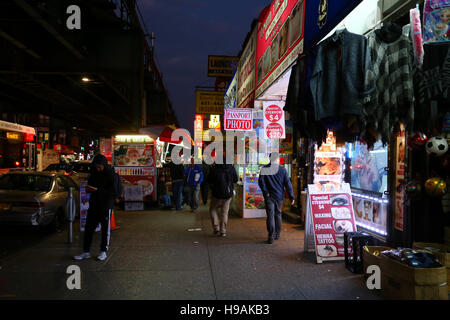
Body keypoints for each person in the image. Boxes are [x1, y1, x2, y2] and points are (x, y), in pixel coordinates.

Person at [74, 154, 115, 261]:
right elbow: (90, 185)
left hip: (106, 205)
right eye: (96, 166)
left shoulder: (111, 174)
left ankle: (103, 251)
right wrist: (89, 189)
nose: (98, 168)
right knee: (88, 228)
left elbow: (114, 192)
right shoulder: (94, 173)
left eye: (99, 166)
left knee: (105, 229)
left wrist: (98, 190)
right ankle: (86, 252)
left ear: (104, 165)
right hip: (94, 204)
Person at [258, 153, 295, 244]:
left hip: (269, 196)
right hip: (279, 196)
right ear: (277, 159)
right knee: (278, 214)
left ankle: (271, 236)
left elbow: (261, 182)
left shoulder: (265, 169)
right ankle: (277, 234)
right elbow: (288, 184)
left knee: (270, 215)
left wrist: (266, 192)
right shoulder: (282, 170)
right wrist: (291, 197)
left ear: (270, 159)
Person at [207, 159, 238, 237]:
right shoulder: (231, 168)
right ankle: (223, 231)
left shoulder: (214, 168)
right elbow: (236, 179)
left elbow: (209, 180)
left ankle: (216, 227)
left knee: (212, 209)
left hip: (216, 194)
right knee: (224, 213)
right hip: (228, 194)